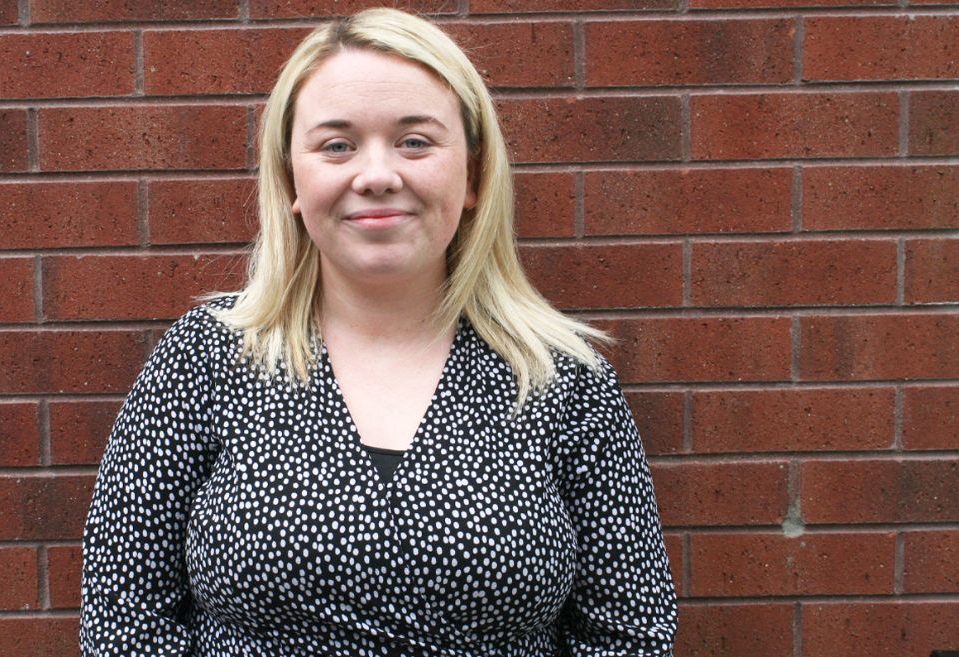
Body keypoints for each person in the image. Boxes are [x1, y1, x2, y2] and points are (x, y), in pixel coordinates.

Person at [79, 8, 677, 656]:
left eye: (415, 141)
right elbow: (123, 620)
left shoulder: (561, 380)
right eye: (337, 144)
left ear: (473, 174)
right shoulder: (206, 358)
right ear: (290, 182)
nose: (376, 174)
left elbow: (629, 632)